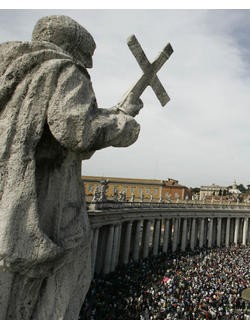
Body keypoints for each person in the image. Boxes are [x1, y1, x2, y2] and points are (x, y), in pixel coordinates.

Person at [0, 15, 143, 319]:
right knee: (64, 284)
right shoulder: (62, 68)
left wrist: (115, 110)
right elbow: (78, 130)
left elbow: (55, 136)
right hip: (47, 210)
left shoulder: (12, 68)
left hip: (8, 197)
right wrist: (125, 125)